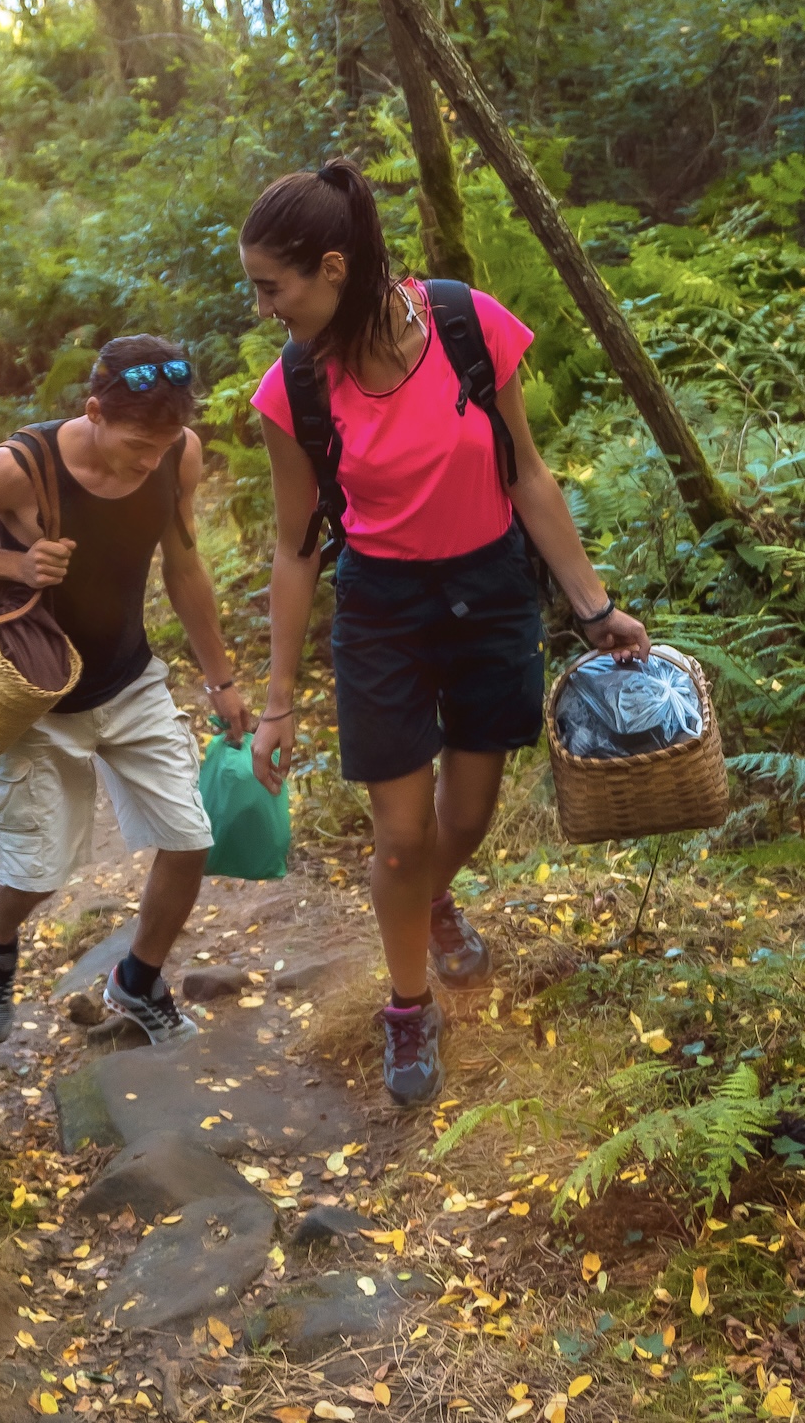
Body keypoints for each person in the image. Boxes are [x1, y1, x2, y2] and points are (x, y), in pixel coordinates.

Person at [241, 161, 649, 1106]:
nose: (263, 307)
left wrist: (592, 607)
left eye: (273, 286)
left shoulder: (467, 325)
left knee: (462, 819)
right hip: (382, 608)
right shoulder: (293, 391)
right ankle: (408, 1005)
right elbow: (298, 550)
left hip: (491, 591)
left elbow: (529, 476)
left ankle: (429, 898)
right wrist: (275, 704)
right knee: (399, 835)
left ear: (333, 268)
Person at [0, 335, 251, 1047]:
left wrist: (222, 680)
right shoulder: (21, 468)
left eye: (164, 442)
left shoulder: (177, 454)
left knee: (189, 839)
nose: (149, 459)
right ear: (92, 412)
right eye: (135, 445)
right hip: (37, 699)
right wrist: (15, 563)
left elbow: (184, 568)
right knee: (40, 871)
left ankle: (138, 981)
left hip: (130, 678)